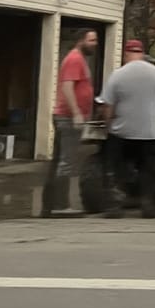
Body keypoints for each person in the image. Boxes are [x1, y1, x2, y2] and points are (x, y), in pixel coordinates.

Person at [100, 39, 155, 218]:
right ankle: (148, 205)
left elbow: (107, 105)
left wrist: (109, 124)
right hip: (148, 132)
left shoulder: (118, 74)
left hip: (121, 132)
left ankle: (115, 205)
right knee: (147, 169)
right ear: (142, 53)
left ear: (126, 53)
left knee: (116, 168)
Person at [45, 28, 98, 215]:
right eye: (91, 40)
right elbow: (67, 87)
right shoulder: (74, 59)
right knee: (66, 161)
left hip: (68, 117)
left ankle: (53, 204)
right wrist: (76, 113)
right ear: (80, 41)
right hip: (67, 118)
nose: (95, 43)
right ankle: (60, 205)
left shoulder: (79, 59)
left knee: (64, 160)